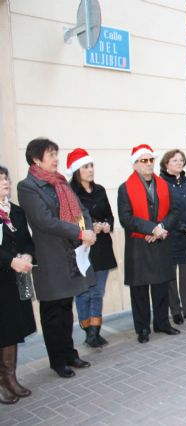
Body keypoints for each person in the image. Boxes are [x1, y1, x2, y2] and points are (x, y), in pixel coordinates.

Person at [17, 138, 95, 378]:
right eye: (51, 155)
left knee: (65, 307)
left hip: (70, 255)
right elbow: (44, 221)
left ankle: (70, 352)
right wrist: (80, 232)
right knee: (53, 312)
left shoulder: (60, 182)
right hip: (50, 258)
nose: (55, 159)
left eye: (55, 154)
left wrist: (88, 230)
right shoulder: (28, 187)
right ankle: (57, 360)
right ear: (36, 159)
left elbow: (81, 210)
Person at [117, 144, 180, 344]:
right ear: (135, 165)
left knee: (161, 285)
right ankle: (142, 328)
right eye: (144, 161)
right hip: (139, 244)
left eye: (151, 160)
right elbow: (125, 218)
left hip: (160, 241)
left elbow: (174, 212)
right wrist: (151, 229)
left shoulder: (164, 185)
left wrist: (160, 228)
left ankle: (162, 323)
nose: (149, 164)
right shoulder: (125, 188)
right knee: (140, 290)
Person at [67, 149, 118, 348]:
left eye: (91, 166)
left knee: (98, 291)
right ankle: (87, 330)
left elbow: (110, 216)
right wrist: (90, 228)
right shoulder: (71, 194)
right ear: (77, 171)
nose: (90, 170)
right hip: (84, 249)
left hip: (103, 246)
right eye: (85, 167)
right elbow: (74, 219)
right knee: (84, 292)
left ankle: (96, 329)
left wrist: (106, 225)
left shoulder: (100, 190)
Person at [0, 166, 36, 404]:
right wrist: (10, 260)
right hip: (1, 278)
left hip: (17, 279)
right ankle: (3, 381)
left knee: (14, 330)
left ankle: (10, 376)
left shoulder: (17, 212)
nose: (5, 182)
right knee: (2, 331)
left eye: (6, 178)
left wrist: (27, 257)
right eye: (0, 180)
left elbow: (28, 242)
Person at [160, 149, 186, 325]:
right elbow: (162, 211)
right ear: (166, 164)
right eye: (174, 160)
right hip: (170, 235)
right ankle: (175, 310)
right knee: (170, 276)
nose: (179, 163)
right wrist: (177, 226)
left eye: (181, 160)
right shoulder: (161, 184)